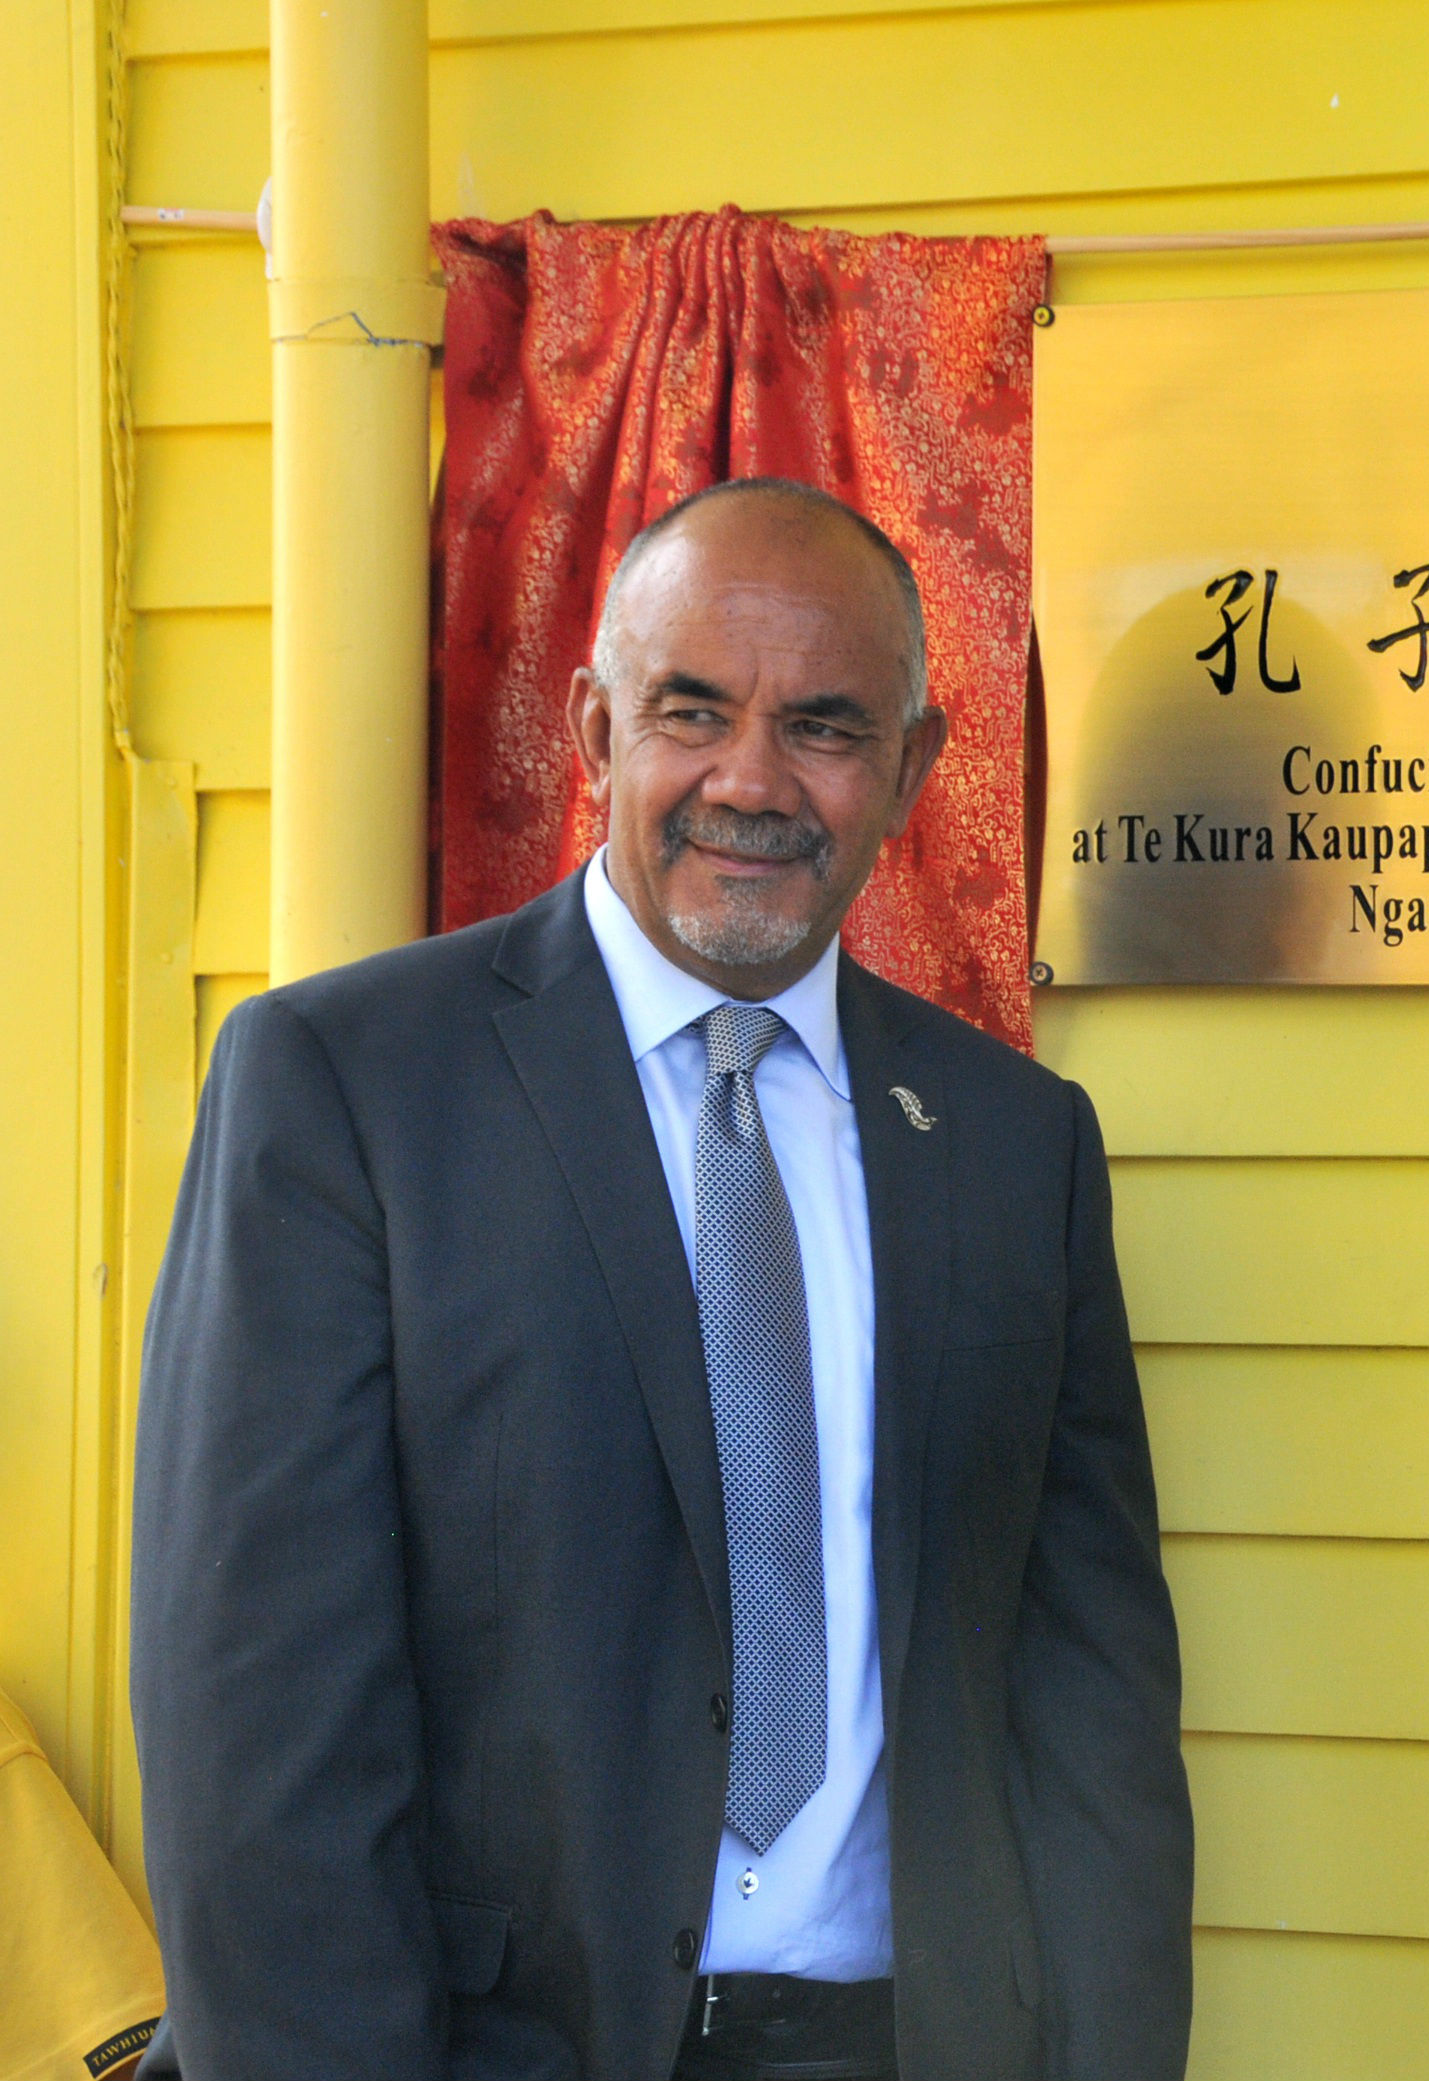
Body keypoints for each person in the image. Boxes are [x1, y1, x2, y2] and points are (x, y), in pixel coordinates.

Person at [133, 479, 1192, 2081]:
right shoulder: (346, 1088)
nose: (749, 781)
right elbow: (260, 1725)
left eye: (827, 727)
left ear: (913, 769)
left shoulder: (1013, 1143)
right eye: (693, 710)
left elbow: (1093, 1696)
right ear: (593, 725)